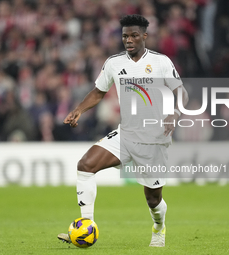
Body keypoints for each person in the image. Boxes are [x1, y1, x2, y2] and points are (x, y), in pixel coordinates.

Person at [58, 14, 189, 247]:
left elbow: (182, 93)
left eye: (134, 35)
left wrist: (175, 113)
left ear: (144, 36)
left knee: (153, 199)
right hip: (126, 134)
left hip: (154, 140)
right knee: (86, 165)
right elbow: (99, 91)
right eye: (125, 36)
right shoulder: (114, 63)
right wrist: (79, 109)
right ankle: (86, 226)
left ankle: (159, 227)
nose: (128, 40)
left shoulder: (161, 62)